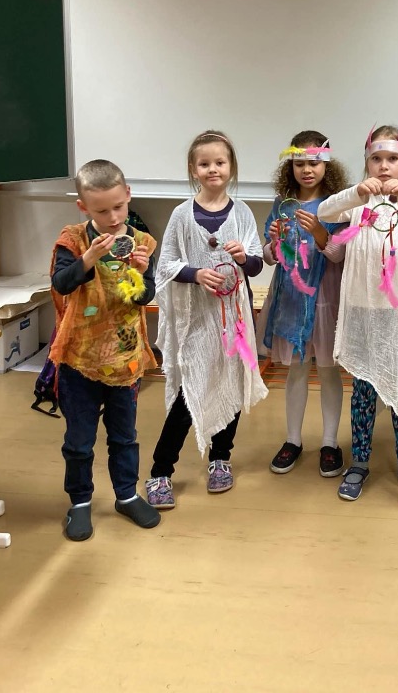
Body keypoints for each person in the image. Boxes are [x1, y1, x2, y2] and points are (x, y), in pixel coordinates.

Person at [318, 115, 398, 504]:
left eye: (392, 159)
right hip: (363, 311)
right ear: (367, 163)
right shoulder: (359, 202)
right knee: (363, 391)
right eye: (376, 159)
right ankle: (359, 462)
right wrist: (355, 194)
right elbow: (325, 212)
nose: (384, 166)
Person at [145, 130, 268, 510]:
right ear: (193, 169)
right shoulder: (182, 215)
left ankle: (221, 458)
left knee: (230, 384)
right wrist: (196, 273)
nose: (213, 169)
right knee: (190, 392)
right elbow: (166, 265)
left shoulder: (242, 212)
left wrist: (243, 258)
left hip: (235, 321)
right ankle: (161, 470)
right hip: (197, 321)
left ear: (231, 167)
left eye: (220, 162)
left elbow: (256, 264)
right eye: (204, 163)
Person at [50, 159, 160, 542]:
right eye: (101, 211)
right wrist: (89, 258)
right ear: (83, 207)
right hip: (79, 360)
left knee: (124, 436)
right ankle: (80, 502)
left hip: (124, 359)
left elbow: (146, 296)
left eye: (118, 207)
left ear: (128, 195)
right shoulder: (73, 239)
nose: (113, 218)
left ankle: (127, 495)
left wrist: (141, 274)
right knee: (79, 441)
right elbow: (62, 284)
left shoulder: (141, 242)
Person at [261, 131, 349, 477]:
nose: (307, 170)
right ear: (291, 166)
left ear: (326, 165)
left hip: (326, 298)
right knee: (296, 369)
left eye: (314, 163)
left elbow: (340, 255)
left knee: (328, 370)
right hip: (291, 299)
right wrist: (273, 243)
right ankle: (293, 440)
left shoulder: (336, 204)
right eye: (299, 164)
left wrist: (319, 233)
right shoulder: (282, 203)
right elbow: (268, 256)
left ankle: (329, 442)